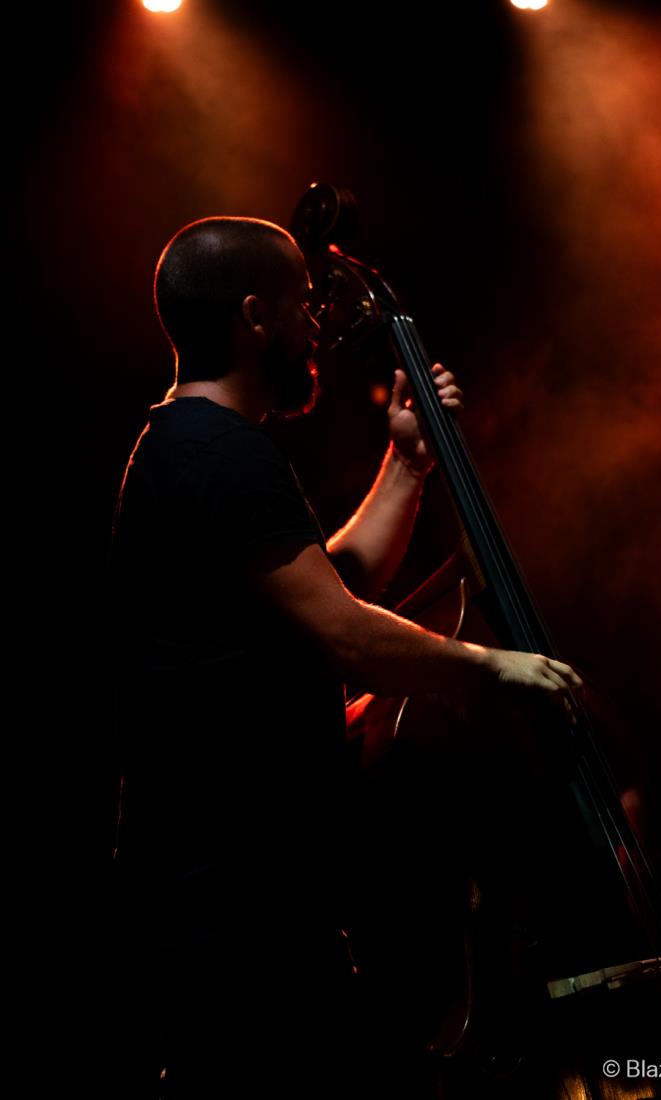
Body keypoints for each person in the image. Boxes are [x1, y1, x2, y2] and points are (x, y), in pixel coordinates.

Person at [107, 216, 582, 1098]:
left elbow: (331, 583)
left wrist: (406, 462)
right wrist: (493, 666)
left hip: (239, 889)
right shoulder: (214, 451)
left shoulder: (193, 445)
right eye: (302, 305)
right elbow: (343, 631)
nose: (317, 326)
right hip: (229, 896)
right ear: (255, 316)